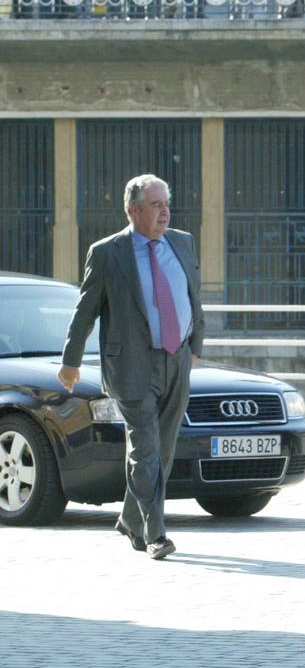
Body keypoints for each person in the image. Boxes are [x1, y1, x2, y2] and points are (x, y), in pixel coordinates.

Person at [58, 175, 204, 561]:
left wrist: (196, 346)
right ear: (134, 210)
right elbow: (85, 311)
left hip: (177, 359)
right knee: (147, 449)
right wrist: (70, 362)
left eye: (166, 203)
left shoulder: (183, 242)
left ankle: (129, 518)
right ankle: (155, 533)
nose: (164, 211)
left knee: (165, 449)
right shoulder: (108, 253)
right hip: (131, 367)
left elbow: (192, 295)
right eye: (155, 205)